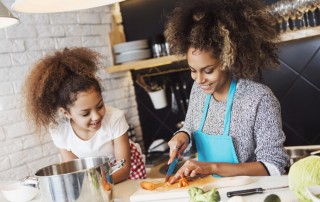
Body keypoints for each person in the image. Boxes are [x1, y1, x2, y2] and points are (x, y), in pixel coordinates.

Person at [164, 0, 289, 183]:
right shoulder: (198, 92)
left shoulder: (258, 98)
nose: (199, 80)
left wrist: (212, 167)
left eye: (208, 71)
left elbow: (273, 166)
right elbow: (190, 129)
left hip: (248, 193)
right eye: (192, 70)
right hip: (208, 190)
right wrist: (182, 136)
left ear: (227, 61)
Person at [23, 47, 146, 183]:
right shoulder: (60, 132)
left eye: (100, 106)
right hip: (93, 178)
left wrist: (96, 184)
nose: (96, 116)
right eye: (85, 113)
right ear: (66, 112)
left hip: (123, 172)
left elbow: (123, 170)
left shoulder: (115, 118)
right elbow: (74, 172)